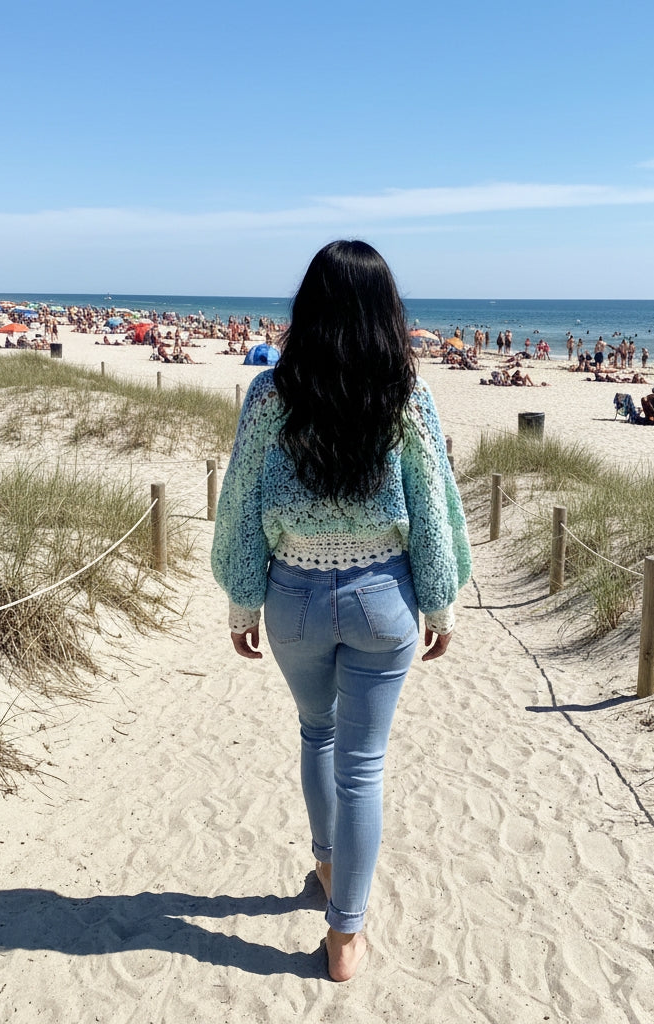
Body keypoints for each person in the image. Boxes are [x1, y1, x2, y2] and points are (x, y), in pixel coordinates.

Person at [211, 240, 472, 983]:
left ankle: (326, 865)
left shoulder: (269, 395)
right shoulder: (408, 399)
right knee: (363, 765)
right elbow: (433, 508)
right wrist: (441, 604)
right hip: (381, 600)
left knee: (315, 732)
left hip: (292, 595)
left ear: (311, 310)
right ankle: (345, 936)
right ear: (386, 314)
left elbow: (239, 506)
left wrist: (242, 601)